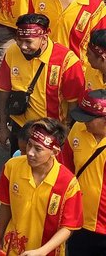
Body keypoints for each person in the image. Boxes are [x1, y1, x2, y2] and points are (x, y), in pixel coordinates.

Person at [0, 13, 85, 153]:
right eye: (19, 40)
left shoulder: (67, 61)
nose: (23, 47)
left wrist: (67, 138)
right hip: (20, 127)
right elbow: (4, 91)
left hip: (51, 132)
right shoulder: (12, 52)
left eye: (28, 42)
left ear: (44, 38)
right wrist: (2, 126)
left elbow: (74, 105)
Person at [0, 118, 82, 255]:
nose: (30, 152)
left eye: (38, 149)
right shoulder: (12, 167)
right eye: (29, 145)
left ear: (55, 152)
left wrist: (42, 251)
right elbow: (6, 205)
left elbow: (68, 227)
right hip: (11, 248)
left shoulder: (68, 183)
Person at [63, 90, 106, 256]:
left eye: (89, 118)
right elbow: (65, 168)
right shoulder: (78, 129)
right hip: (78, 222)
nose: (83, 122)